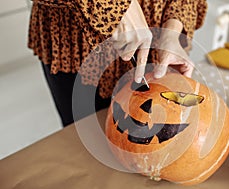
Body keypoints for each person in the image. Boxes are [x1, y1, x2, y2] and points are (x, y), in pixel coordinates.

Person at [28, 0, 208, 127]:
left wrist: (171, 30)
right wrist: (113, 5)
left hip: (156, 33)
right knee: (83, 145)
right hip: (75, 41)